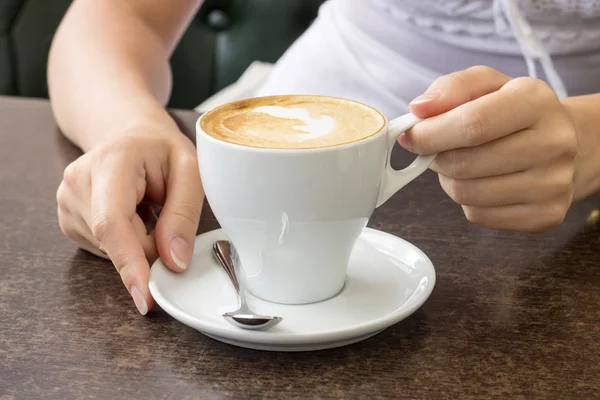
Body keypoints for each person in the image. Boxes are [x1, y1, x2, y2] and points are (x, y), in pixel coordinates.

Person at [49, 0, 600, 315]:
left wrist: (591, 135)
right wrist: (129, 127)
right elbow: (117, 17)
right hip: (295, 109)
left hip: (557, 207)